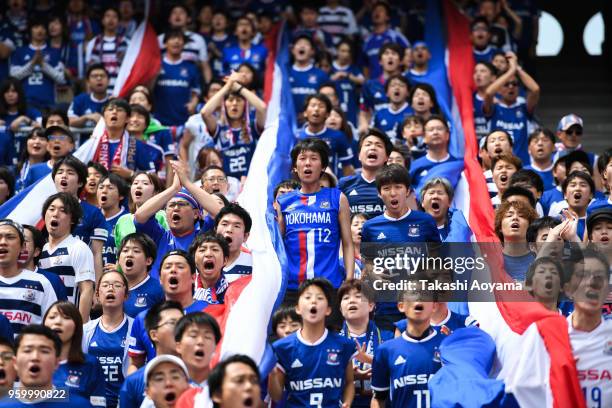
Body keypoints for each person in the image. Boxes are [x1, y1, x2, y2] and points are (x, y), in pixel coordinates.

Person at [361, 164, 441, 332]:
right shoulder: (370, 227)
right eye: (386, 188)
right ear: (379, 193)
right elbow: (367, 260)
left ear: (408, 191)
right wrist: (371, 271)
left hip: (419, 303)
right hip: (385, 308)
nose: (393, 193)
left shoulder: (425, 222)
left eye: (398, 187)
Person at [278, 139, 354, 301]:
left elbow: (347, 243)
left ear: (323, 167)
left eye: (314, 158)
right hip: (292, 287)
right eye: (302, 158)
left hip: (330, 286)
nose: (307, 163)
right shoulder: (283, 202)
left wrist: (349, 280)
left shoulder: (338, 198)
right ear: (294, 167)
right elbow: (277, 246)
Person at [268, 278, 356, 407]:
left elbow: (349, 383)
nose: (313, 301)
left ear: (328, 310)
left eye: (320, 298)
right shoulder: (281, 348)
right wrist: (272, 373)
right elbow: (276, 395)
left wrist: (347, 402)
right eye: (308, 297)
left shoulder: (344, 345)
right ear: (298, 308)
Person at [133, 161, 222, 280]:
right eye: (171, 205)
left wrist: (187, 183)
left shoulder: (204, 236)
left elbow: (220, 212)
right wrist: (174, 189)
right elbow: (139, 216)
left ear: (196, 214)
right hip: (159, 297)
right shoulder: (159, 237)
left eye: (181, 204)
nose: (175, 208)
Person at [127, 251, 208, 374]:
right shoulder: (144, 318)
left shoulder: (211, 311)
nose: (173, 270)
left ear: (193, 278)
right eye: (168, 267)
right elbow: (135, 365)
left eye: (180, 267)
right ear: (160, 279)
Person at [370, 288, 444, 408]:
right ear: (401, 306)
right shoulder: (385, 351)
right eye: (413, 294)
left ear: (434, 306)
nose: (419, 298)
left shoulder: (448, 347)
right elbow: (379, 399)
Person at [0, 325, 94, 407]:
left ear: (57, 363)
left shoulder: (80, 405)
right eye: (27, 351)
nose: (35, 357)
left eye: (44, 351)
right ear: (15, 362)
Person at [200, 71, 267, 181]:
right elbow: (204, 113)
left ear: (245, 105)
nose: (234, 103)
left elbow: (262, 108)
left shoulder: (252, 128)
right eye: (230, 100)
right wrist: (228, 86)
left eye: (239, 100)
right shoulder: (219, 130)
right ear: (224, 105)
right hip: (226, 184)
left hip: (251, 182)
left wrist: (238, 88)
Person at [38, 192, 95, 322]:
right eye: (51, 209)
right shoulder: (39, 251)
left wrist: (80, 327)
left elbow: (86, 290)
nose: (55, 214)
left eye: (62, 210)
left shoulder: (78, 247)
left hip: (70, 322)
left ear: (72, 219)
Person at [566, 249, 611, 407]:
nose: (592, 282)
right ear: (568, 289)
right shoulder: (549, 338)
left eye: (599, 277)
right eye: (583, 275)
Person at [51, 156, 106, 285]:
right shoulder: (45, 211)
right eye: (60, 172)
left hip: (80, 279)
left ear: (81, 182)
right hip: (51, 276)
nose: (64, 176)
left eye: (70, 173)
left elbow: (96, 253)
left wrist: (97, 289)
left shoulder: (93, 212)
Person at [119, 301, 184, 408]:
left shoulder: (197, 376)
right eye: (172, 323)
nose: (181, 328)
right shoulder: (133, 382)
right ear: (154, 335)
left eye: (183, 323)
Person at [83, 270, 134, 408]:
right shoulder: (85, 330)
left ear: (126, 295)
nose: (111, 288)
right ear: (98, 295)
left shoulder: (136, 328)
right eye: (105, 285)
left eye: (117, 285)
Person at [43, 301, 106, 406]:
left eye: (66, 317)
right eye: (52, 317)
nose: (58, 322)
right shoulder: (32, 361)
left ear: (77, 326)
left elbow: (98, 405)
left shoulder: (91, 364)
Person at [0, 219, 58, 334]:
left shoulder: (41, 283)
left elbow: (52, 329)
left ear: (23, 246)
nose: (3, 242)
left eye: (10, 237)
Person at [483, 51, 540, 164]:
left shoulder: (524, 108)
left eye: (514, 84)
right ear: (499, 88)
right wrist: (511, 70)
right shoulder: (494, 108)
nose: (511, 87)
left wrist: (516, 68)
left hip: (522, 165)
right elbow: (488, 93)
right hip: (499, 166)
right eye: (506, 84)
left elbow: (535, 89)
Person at [338, 279, 388, 408]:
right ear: (340, 308)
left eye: (358, 296)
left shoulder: (388, 338)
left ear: (371, 305)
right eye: (346, 298)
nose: (352, 300)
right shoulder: (332, 341)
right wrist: (349, 377)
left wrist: (369, 360)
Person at [10, 17, 65, 109]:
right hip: (25, 102)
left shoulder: (54, 52)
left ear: (46, 31)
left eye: (43, 28)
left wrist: (43, 64)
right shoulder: (20, 51)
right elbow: (13, 77)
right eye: (36, 27)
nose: (39, 30)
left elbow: (61, 78)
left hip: (49, 103)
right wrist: (32, 63)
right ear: (30, 30)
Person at [297, 94, 354, 178]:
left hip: (331, 187)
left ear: (327, 114)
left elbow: (347, 168)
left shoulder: (338, 136)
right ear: (305, 113)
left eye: (321, 106)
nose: (316, 109)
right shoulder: (297, 137)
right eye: (313, 105)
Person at [338, 128, 391, 218]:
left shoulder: (395, 184)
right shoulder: (344, 184)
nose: (373, 147)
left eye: (379, 145)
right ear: (359, 155)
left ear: (386, 157)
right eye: (368, 144)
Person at [153, 29, 201, 127]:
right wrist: (154, 76)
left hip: (183, 121)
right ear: (165, 44)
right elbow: (148, 90)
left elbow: (196, 90)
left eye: (179, 39)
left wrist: (193, 103)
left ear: (183, 44)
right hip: (159, 121)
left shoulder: (191, 67)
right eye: (172, 38)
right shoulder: (156, 66)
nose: (176, 41)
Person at [159, 3, 212, 84]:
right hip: (165, 82)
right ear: (169, 18)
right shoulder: (160, 39)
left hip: (191, 83)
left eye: (181, 12)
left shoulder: (198, 39)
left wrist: (209, 86)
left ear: (189, 19)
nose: (178, 15)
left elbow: (205, 66)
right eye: (174, 12)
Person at [113, 172, 167, 249]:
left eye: (145, 183)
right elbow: (119, 254)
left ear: (155, 192)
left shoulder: (162, 216)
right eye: (135, 183)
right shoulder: (122, 220)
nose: (138, 186)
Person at [359, 43, 404, 135]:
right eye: (386, 53)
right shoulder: (369, 85)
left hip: (403, 133)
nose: (390, 56)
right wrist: (364, 125)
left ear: (400, 61)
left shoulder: (409, 84)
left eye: (394, 54)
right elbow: (364, 112)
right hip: (378, 133)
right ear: (380, 61)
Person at [116, 233, 164, 318]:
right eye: (125, 251)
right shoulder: (112, 287)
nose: (129, 255)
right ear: (119, 259)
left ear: (148, 261)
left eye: (136, 251)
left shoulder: (159, 290)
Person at [19, 224, 68, 302]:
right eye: (15, 240)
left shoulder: (52, 281)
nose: (19, 245)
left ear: (36, 252)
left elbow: (62, 313)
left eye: (24, 241)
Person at [362, 1, 410, 80]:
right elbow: (364, 64)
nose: (377, 13)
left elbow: (408, 53)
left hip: (394, 83)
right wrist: (367, 82)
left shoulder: (396, 36)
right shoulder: (367, 40)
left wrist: (404, 74)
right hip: (375, 85)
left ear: (387, 17)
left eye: (380, 10)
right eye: (374, 11)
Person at [85, 6, 129, 92]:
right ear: (102, 20)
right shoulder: (93, 43)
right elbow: (89, 70)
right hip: (98, 93)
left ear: (119, 22)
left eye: (114, 16)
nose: (111, 19)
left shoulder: (127, 43)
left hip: (120, 90)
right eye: (107, 16)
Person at [494, 200, 538, 282]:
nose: (515, 218)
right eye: (509, 215)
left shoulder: (540, 258)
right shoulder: (490, 261)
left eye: (521, 216)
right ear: (500, 227)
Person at [409, 115, 457, 188]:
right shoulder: (415, 166)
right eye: (431, 130)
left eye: (439, 129)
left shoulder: (457, 165)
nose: (435, 132)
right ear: (424, 137)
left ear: (447, 135)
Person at [289, 35, 329, 118]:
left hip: (313, 123)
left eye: (306, 44)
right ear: (292, 50)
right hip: (288, 121)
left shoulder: (321, 75)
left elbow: (326, 101)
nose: (302, 46)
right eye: (299, 43)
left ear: (312, 51)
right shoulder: (284, 74)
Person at [214, 203, 253, 283]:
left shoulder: (254, 265)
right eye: (224, 224)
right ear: (215, 230)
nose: (229, 230)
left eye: (236, 226)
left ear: (245, 236)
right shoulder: (203, 260)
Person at [330, 39, 364, 126]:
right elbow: (322, 82)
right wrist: (334, 77)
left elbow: (363, 81)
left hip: (351, 109)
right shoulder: (330, 67)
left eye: (348, 51)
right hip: (333, 110)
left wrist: (348, 76)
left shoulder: (353, 69)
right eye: (343, 51)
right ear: (337, 51)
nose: (346, 54)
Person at [97, 174, 129, 265]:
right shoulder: (90, 217)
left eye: (110, 188)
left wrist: (119, 268)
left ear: (121, 196)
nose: (104, 191)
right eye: (101, 187)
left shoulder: (128, 220)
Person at [372, 75, 412, 143]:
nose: (397, 88)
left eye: (401, 85)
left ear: (408, 92)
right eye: (393, 85)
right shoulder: (379, 114)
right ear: (387, 93)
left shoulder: (413, 113)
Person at [190, 233, 230, 303]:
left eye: (215, 249)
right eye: (202, 250)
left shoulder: (235, 292)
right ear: (194, 260)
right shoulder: (185, 292)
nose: (208, 254)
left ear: (225, 261)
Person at [68, 63, 109, 128]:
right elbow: (70, 122)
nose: (99, 78)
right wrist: (87, 117)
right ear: (88, 82)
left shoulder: (114, 101)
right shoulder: (79, 100)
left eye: (102, 76)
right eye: (94, 76)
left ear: (108, 81)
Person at [473, 61, 497, 140]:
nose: (478, 74)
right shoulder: (469, 99)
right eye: (475, 72)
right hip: (473, 147)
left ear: (493, 78)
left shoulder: (501, 100)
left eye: (483, 71)